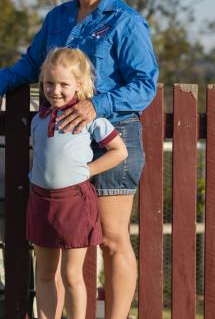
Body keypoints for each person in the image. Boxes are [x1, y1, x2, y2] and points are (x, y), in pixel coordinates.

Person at [0, 0, 158, 317]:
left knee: (112, 240)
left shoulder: (126, 22)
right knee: (56, 249)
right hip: (63, 147)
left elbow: (145, 84)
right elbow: (32, 64)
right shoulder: (57, 18)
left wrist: (97, 105)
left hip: (110, 141)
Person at [28, 47, 127, 319]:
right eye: (49, 83)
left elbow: (119, 151)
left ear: (79, 85)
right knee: (44, 274)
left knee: (71, 275)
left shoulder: (91, 120)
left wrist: (88, 171)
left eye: (64, 84)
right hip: (41, 201)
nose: (55, 90)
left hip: (75, 202)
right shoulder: (37, 120)